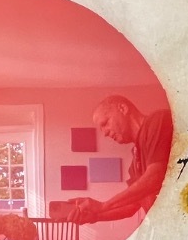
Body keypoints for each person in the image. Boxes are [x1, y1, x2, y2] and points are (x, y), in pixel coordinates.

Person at [66, 94, 173, 225]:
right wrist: (95, 216)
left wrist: (103, 206)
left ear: (122, 108)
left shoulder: (158, 121)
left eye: (105, 123)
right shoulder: (135, 161)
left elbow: (155, 177)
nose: (104, 133)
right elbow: (131, 206)